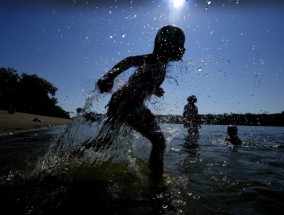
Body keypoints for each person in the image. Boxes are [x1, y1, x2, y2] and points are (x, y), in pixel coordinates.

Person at [79, 25, 186, 181]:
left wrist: (155, 89)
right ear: (166, 44)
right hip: (128, 101)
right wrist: (109, 77)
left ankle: (70, 157)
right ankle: (156, 184)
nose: (181, 49)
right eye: (179, 45)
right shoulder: (154, 58)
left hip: (126, 101)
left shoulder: (162, 63)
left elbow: (143, 80)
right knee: (159, 141)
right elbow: (128, 61)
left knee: (105, 141)